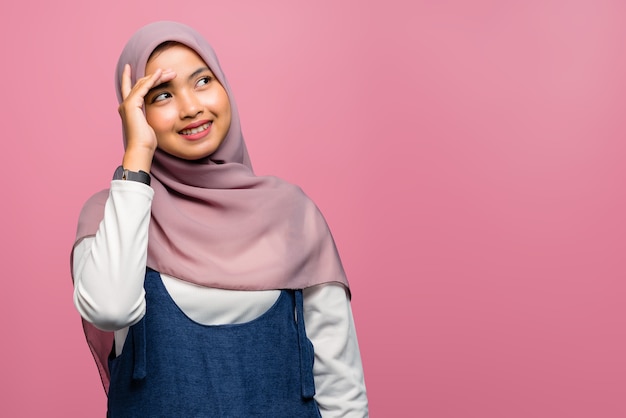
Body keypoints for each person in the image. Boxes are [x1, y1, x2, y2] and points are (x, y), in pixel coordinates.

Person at [71, 21, 368, 417]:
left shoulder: (292, 215)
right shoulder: (112, 215)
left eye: (202, 81)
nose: (191, 107)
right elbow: (109, 310)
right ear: (135, 112)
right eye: (162, 95)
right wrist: (136, 158)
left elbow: (341, 388)